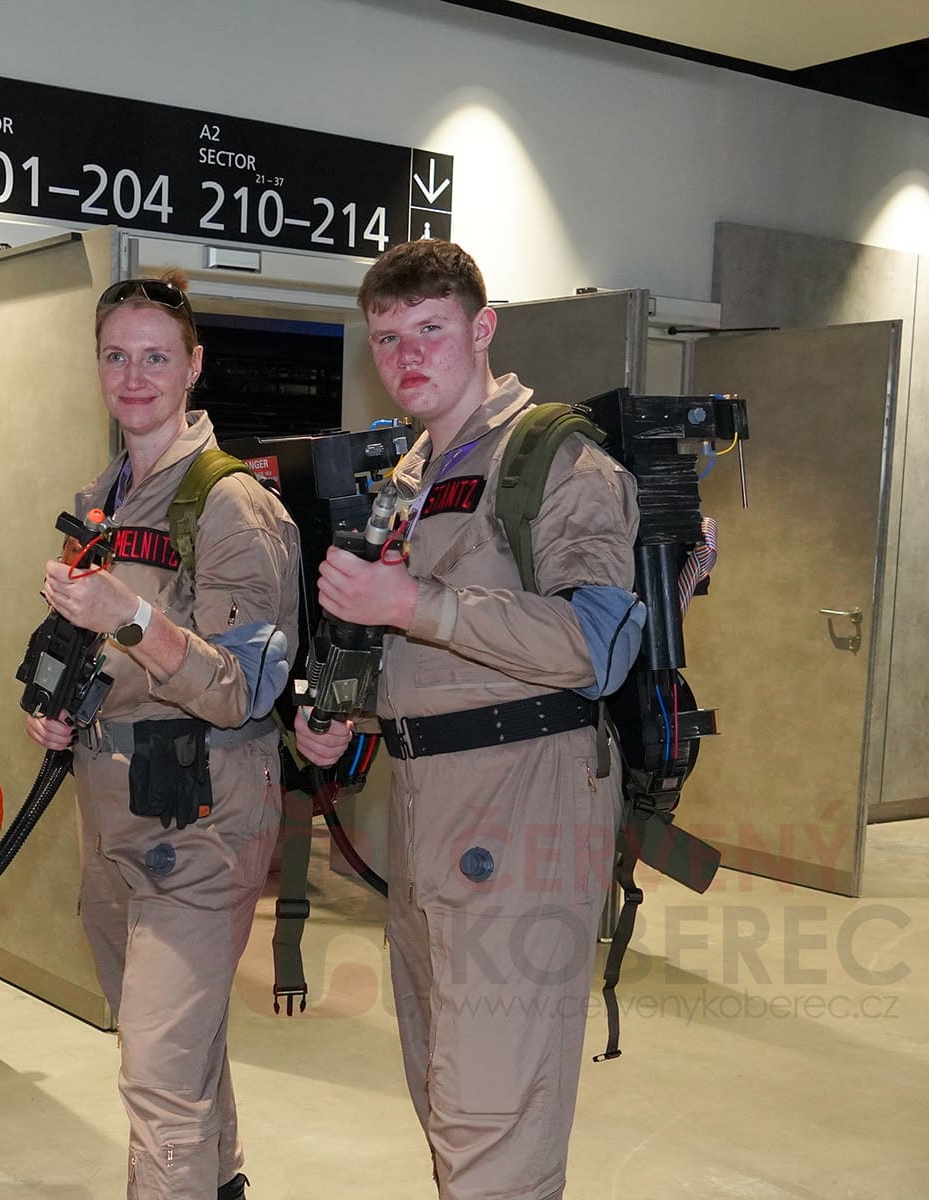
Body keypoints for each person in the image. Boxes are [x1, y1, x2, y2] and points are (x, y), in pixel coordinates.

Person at [294, 239, 639, 1199]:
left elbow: (597, 645)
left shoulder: (555, 459)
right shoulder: (409, 472)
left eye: (430, 330)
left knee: (494, 1118)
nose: (408, 357)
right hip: (426, 819)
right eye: (388, 338)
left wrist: (414, 604)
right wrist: (347, 720)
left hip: (524, 813)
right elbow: (428, 663)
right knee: (446, 1095)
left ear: (483, 329)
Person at [28, 271, 301, 1199]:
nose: (134, 377)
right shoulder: (102, 498)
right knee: (178, 1052)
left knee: (156, 1076)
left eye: (155, 357)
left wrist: (131, 618)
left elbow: (244, 688)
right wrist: (61, 702)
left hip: (202, 821)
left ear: (193, 367)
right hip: (111, 816)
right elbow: (96, 651)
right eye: (116, 356)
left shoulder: (232, 506)